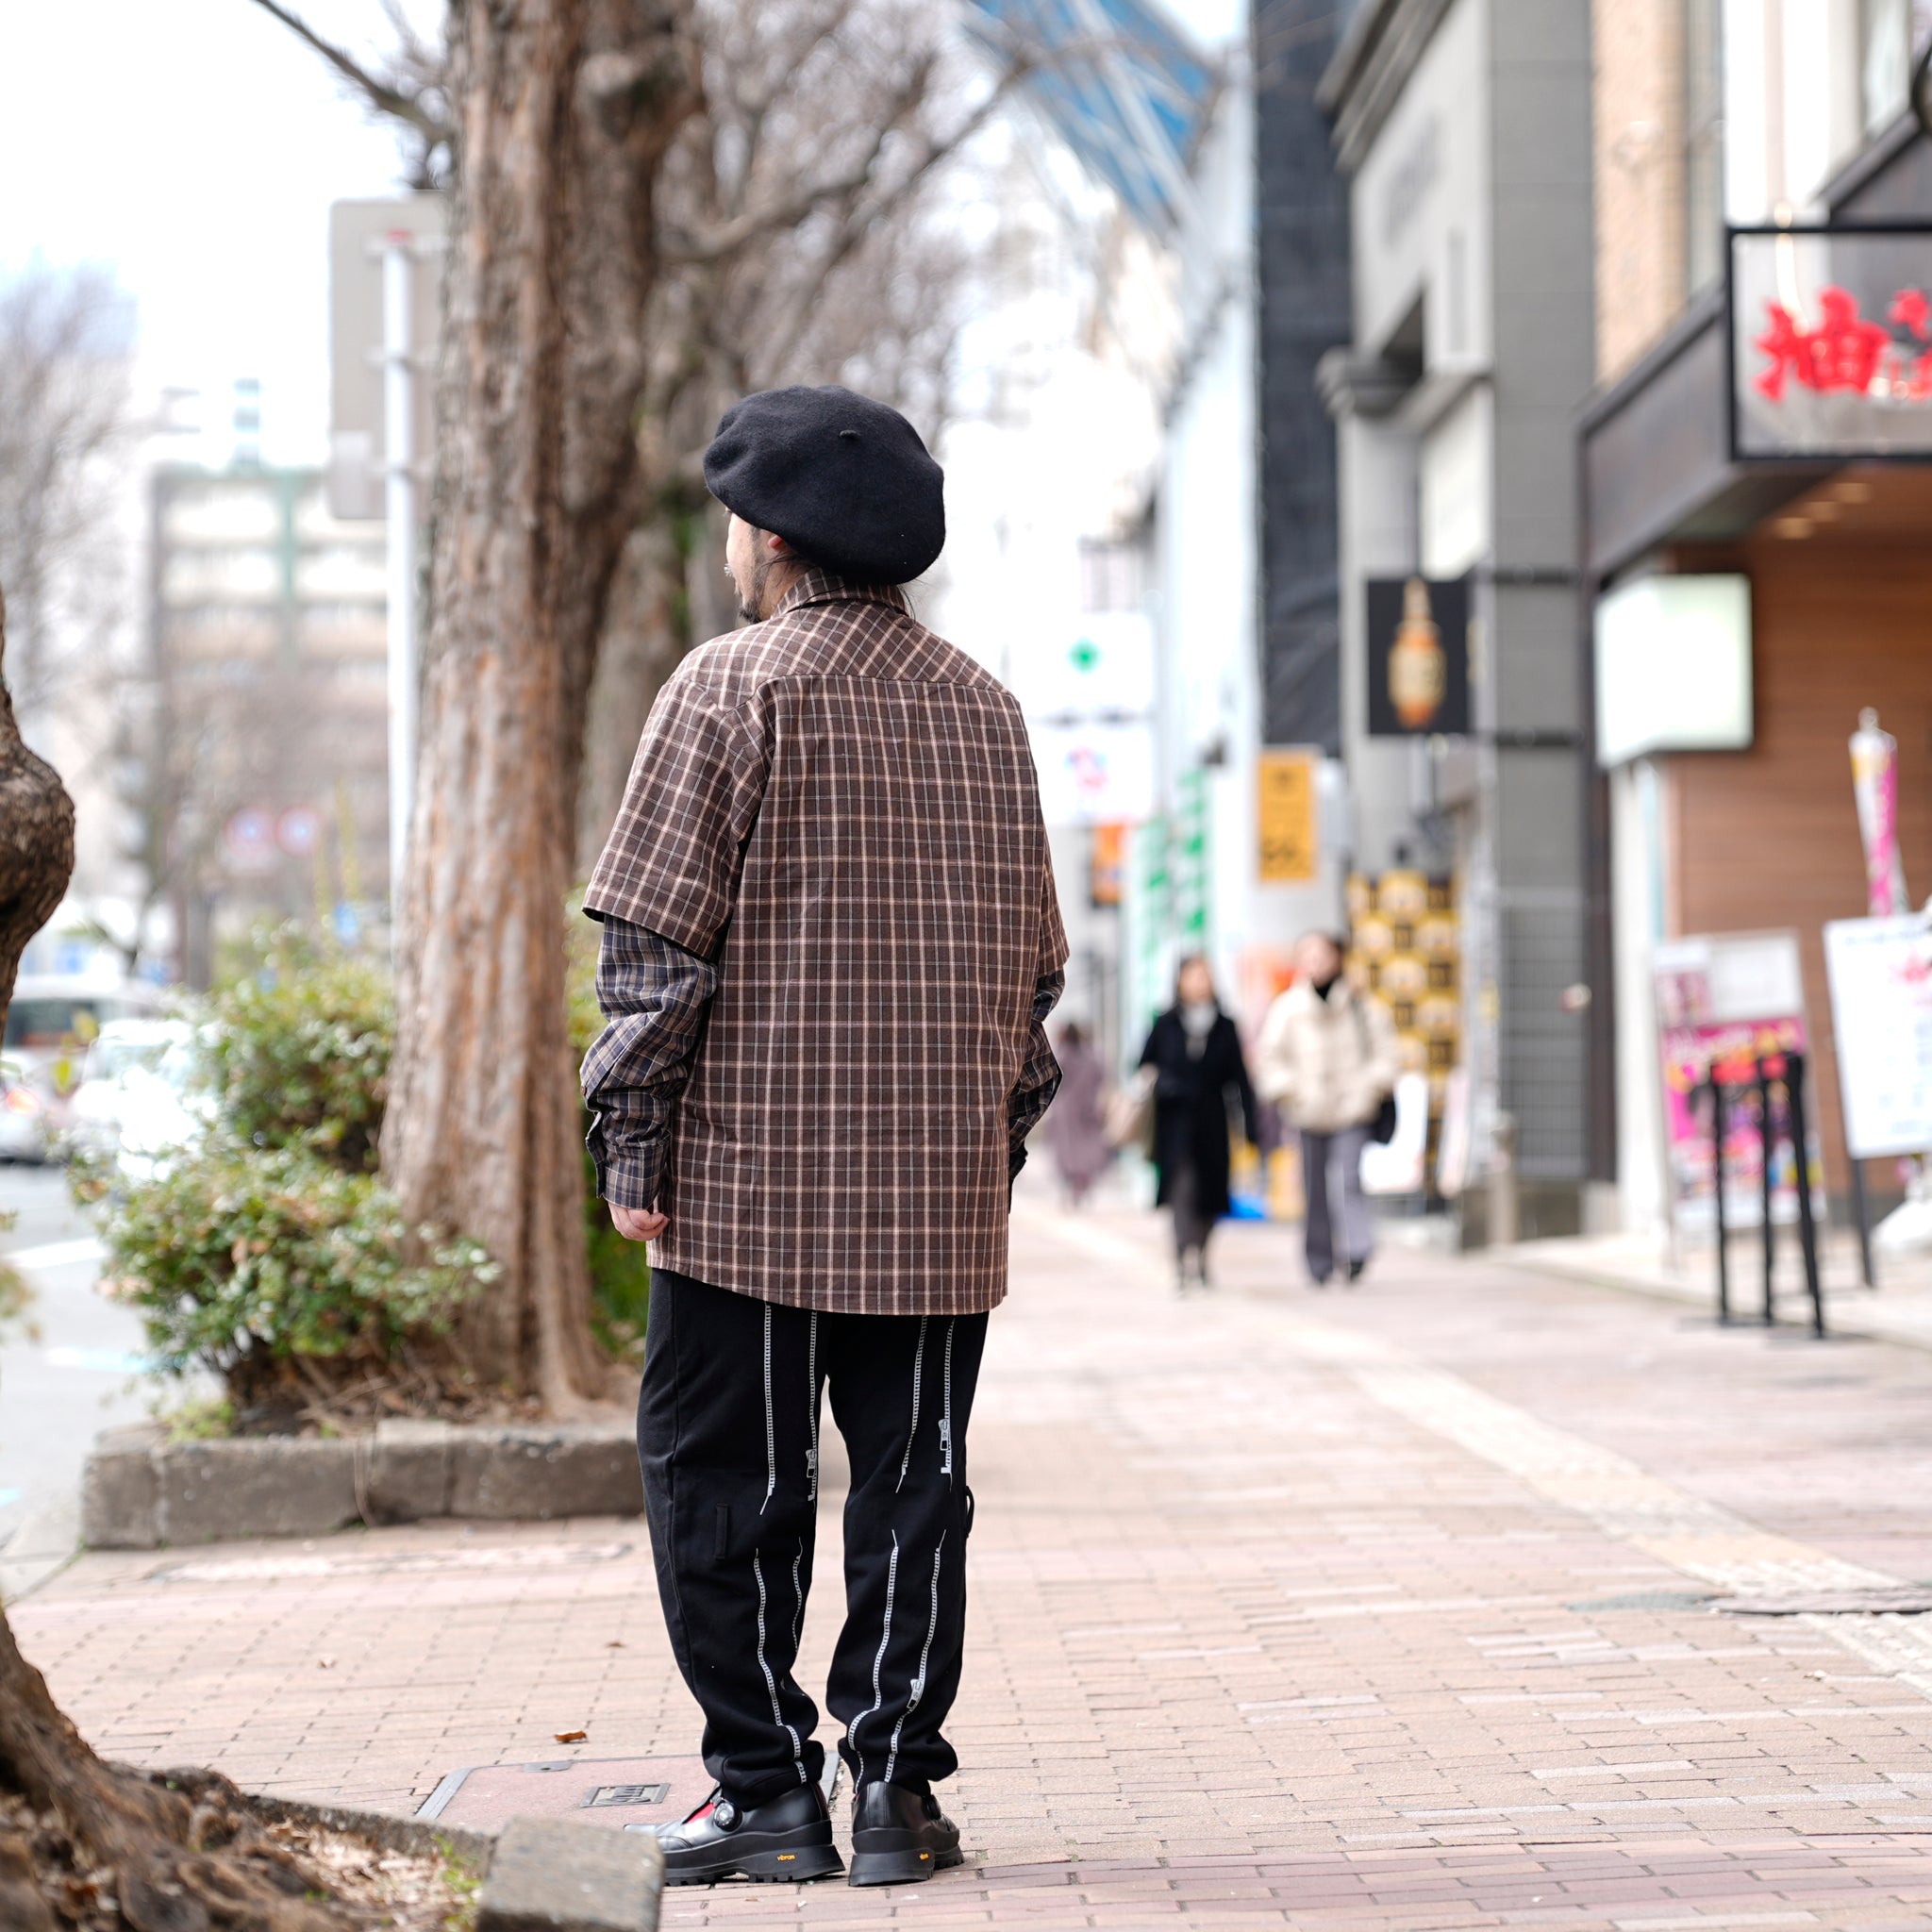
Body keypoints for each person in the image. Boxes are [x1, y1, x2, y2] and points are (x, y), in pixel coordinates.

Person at [579, 385, 1066, 1888]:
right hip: (934, 1205)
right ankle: (894, 1797)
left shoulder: (725, 692)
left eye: (737, 520)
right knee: (914, 1488)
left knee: (731, 1485)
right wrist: (989, 1143)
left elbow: (656, 955)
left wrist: (633, 1152)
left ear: (770, 538)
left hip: (745, 1189)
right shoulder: (986, 708)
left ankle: (766, 1788)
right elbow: (1036, 973)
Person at [1255, 931, 1401, 1288]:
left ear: (1338, 957)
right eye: (1308, 956)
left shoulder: (1363, 1006)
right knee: (1313, 1188)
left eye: (1322, 955)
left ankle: (1356, 1249)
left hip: (1352, 1111)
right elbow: (1269, 1059)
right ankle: (1319, 1260)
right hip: (1308, 1113)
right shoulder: (1287, 1009)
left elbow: (1387, 1054)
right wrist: (1292, 1092)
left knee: (1347, 1180)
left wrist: (1368, 1089)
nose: (1315, 963)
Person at [1138, 955, 1258, 1290]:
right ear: (1179, 982)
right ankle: (1180, 1261)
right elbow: (1144, 1064)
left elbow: (1240, 1080)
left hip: (1213, 1124)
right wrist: (1164, 1084)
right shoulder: (1165, 1022)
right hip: (1174, 1124)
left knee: (1211, 1197)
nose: (1198, 983)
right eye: (1191, 976)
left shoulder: (1225, 1025)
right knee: (1181, 1193)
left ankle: (1202, 1257)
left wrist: (1250, 1128)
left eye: (1204, 976)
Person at [1043, 1020, 1112, 1207]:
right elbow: (1103, 1076)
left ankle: (1073, 1183)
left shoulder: (1060, 1055)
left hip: (1065, 1111)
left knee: (1067, 1150)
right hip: (1089, 1108)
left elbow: (1049, 1078)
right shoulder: (1093, 1056)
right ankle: (1082, 1182)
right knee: (1087, 1149)